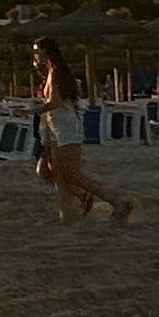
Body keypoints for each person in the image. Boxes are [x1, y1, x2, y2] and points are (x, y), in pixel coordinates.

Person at [31, 39, 136, 226]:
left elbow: (56, 102)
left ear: (46, 51)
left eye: (37, 50)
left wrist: (32, 111)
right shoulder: (50, 73)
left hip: (66, 128)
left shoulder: (57, 73)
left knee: (72, 173)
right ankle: (78, 203)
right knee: (56, 172)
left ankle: (116, 202)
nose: (35, 54)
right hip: (57, 128)